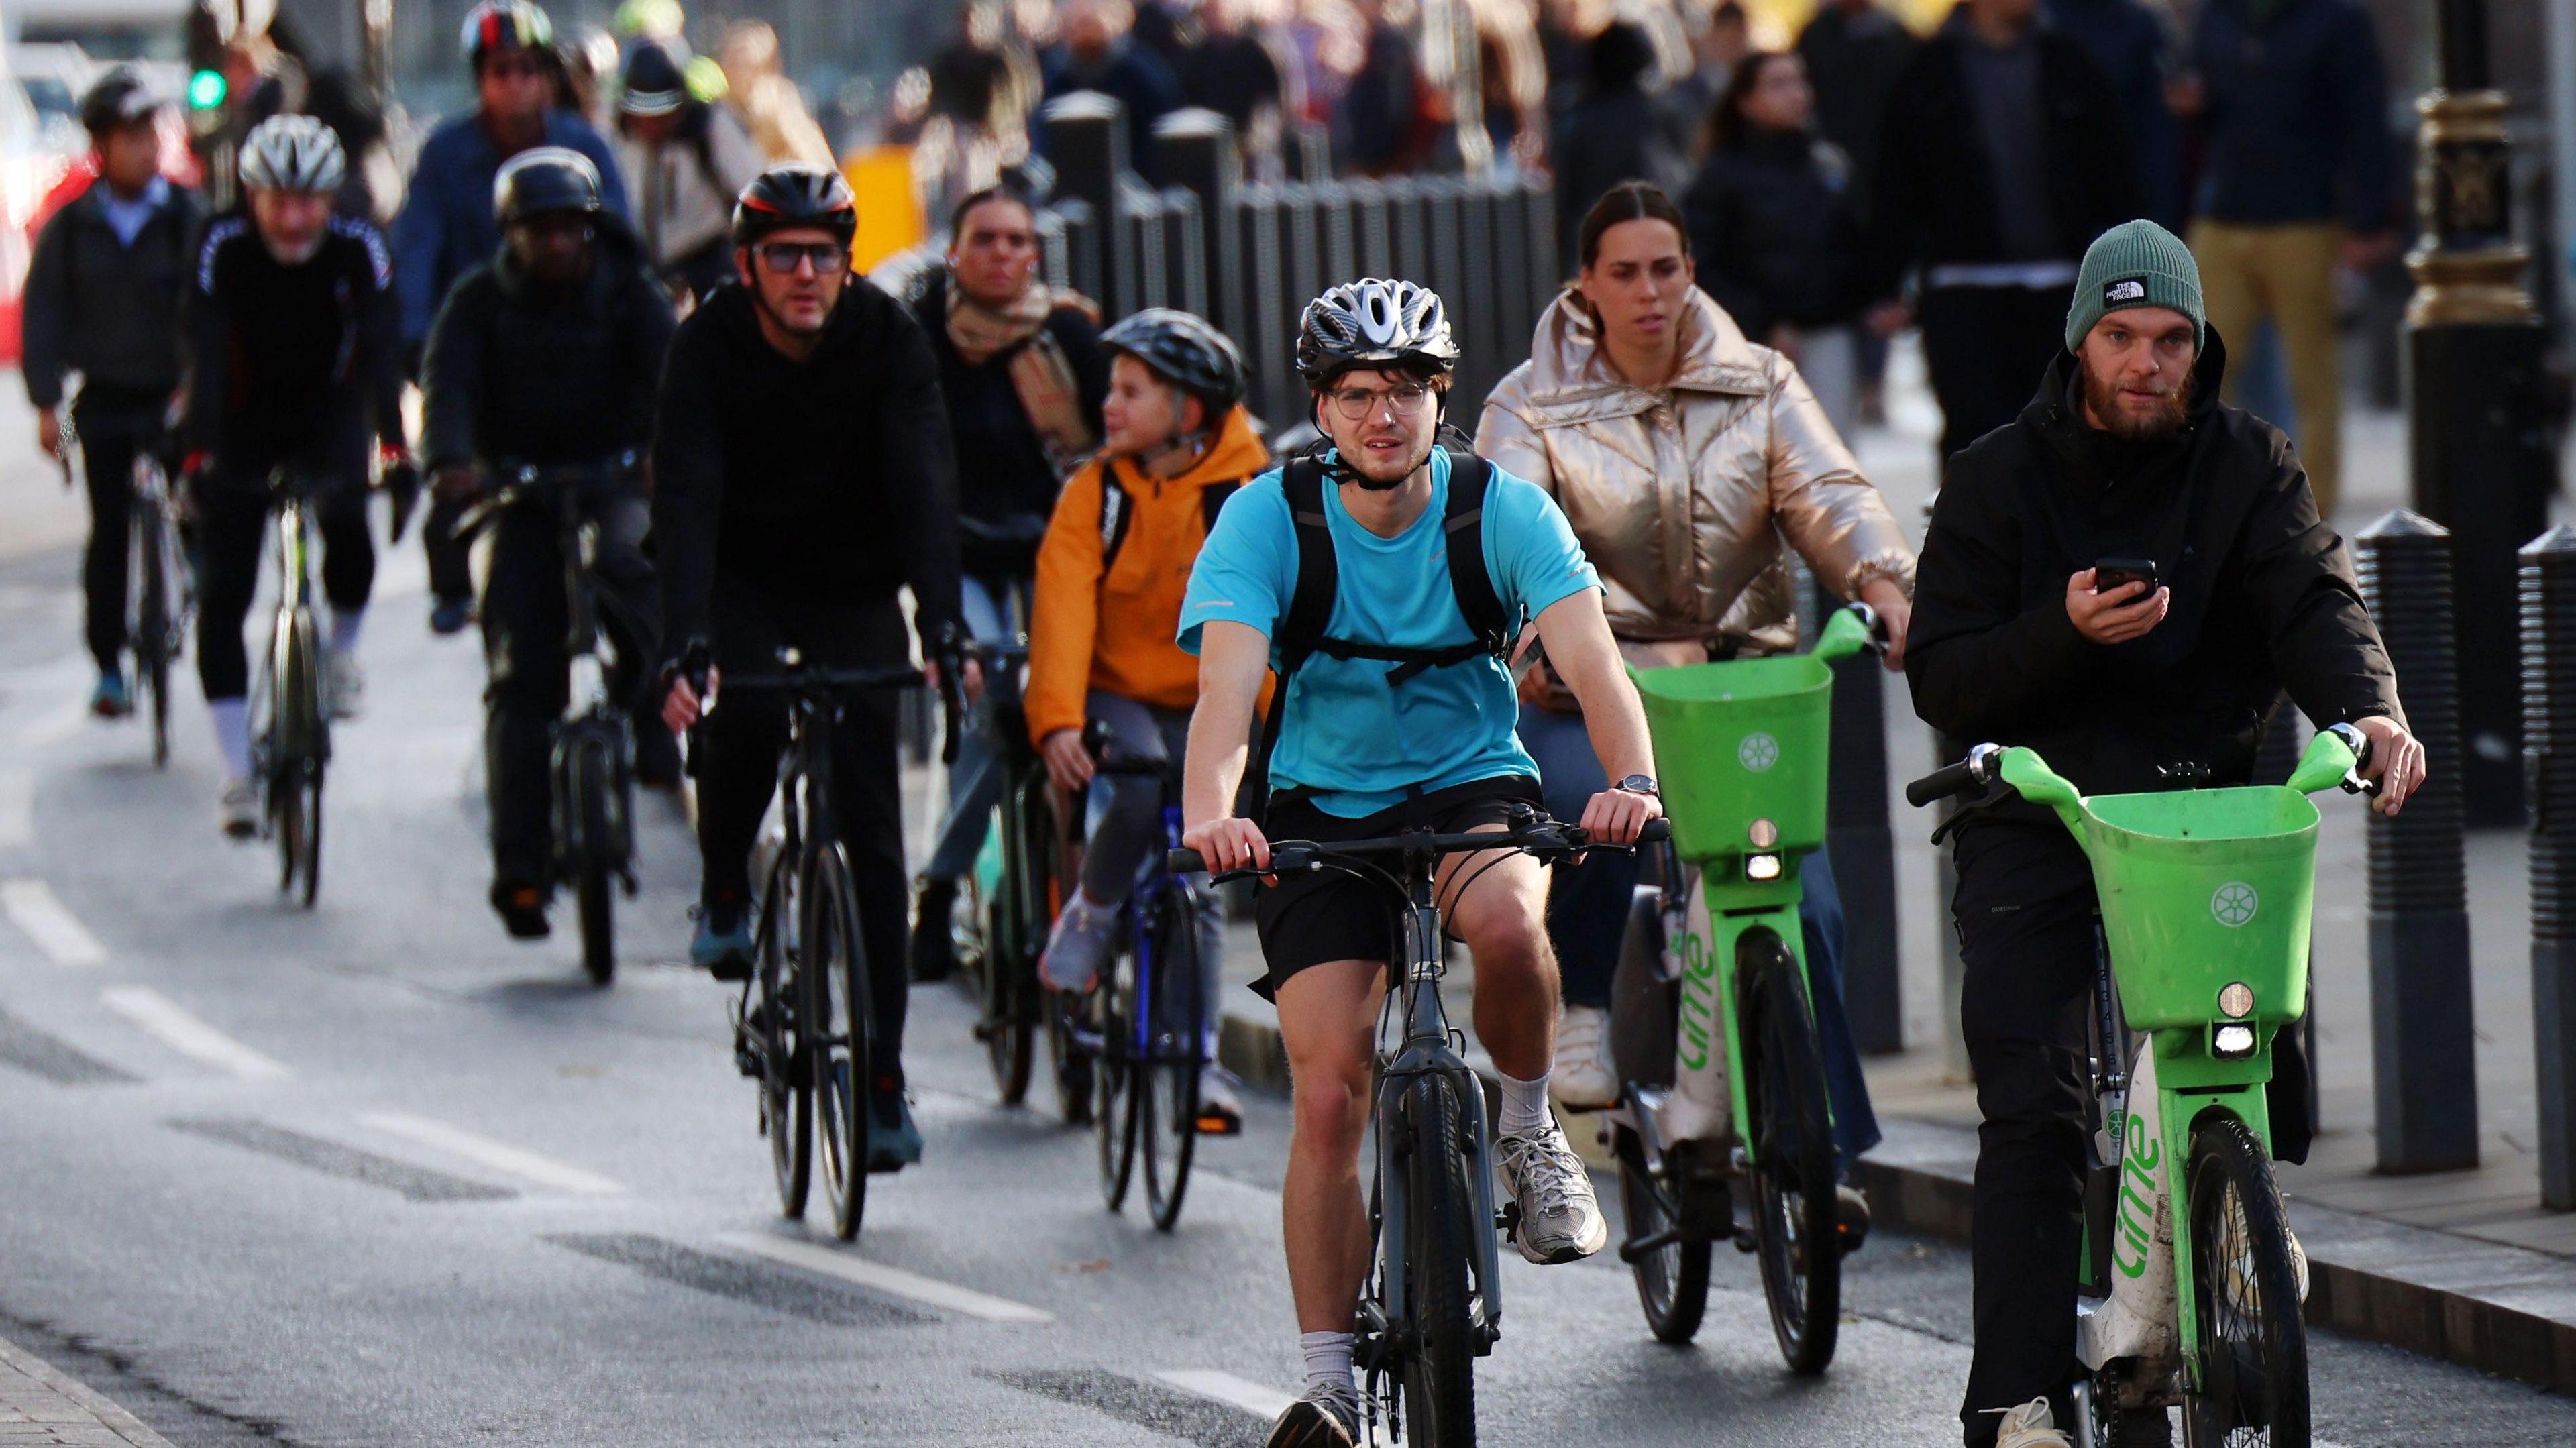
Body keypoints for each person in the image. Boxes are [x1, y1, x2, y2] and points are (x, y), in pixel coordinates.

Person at [1905, 219, 2426, 1448]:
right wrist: (2064, 632)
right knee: (2031, 1094)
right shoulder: (1992, 477)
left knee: (2246, 1040)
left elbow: (2313, 595)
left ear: (2201, 348)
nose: (2147, 361)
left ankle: (2228, 1196)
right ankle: (2016, 1393)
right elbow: (1942, 675)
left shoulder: (2249, 462)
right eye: (2123, 335)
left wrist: (2373, 708)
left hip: (2201, 802)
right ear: (2081, 341)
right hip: (2037, 805)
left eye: (2172, 339)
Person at [1177, 278, 1662, 1445]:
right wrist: (1214, 811)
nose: (1382, 415)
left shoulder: (1503, 509)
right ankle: (1329, 1377)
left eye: (1405, 390)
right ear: (1323, 406)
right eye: (1356, 394)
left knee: (1506, 927)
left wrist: (1632, 783)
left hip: (1467, 779)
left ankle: (1529, 1122)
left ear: (1439, 397)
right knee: (1332, 1084)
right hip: (1320, 808)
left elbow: (1597, 671)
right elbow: (1228, 699)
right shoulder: (1266, 517)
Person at [1479, 180, 1907, 1223]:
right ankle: (1585, 1000)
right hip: (1584, 684)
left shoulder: (1760, 382)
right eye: (1622, 271)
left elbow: (1830, 493)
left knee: (1807, 900)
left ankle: (1824, 1154)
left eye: (1666, 267)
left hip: (1737, 681)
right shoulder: (1526, 404)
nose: (1648, 291)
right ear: (1584, 285)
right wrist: (1543, 652)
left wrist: (1885, 578)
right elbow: (1501, 548)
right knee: (1597, 813)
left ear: (1692, 272)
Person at [653, 165, 963, 1169]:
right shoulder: (705, 347)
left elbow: (923, 480)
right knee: (742, 713)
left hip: (854, 586)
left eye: (822, 255)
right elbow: (687, 497)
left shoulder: (888, 340)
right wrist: (685, 636)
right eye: (781, 255)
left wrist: (944, 623)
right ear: (746, 267)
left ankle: (881, 1079)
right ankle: (726, 892)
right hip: (743, 578)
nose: (803, 273)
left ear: (845, 264)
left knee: (874, 831)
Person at [419, 148, 676, 940]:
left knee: (637, 574)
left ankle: (651, 718)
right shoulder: (478, 302)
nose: (557, 243)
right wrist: (453, 462)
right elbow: (448, 388)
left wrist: (671, 455)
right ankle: (521, 868)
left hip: (616, 478)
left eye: (570, 227)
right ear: (511, 234)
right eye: (539, 229)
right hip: (519, 488)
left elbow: (676, 381)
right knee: (521, 673)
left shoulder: (632, 293)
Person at [1026, 309, 1267, 1132]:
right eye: (1112, 389)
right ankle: (1092, 915)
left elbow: (1274, 614)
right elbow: (1061, 610)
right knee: (1132, 793)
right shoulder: (1094, 492)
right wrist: (1058, 718)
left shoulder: (1247, 490)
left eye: (1132, 392)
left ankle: (1201, 1063)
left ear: (1189, 412)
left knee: (1198, 872)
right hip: (1115, 690)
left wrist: (1266, 727)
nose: (1109, 405)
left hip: (1209, 695)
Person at [907, 186, 1109, 982]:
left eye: (1018, 240)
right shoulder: (920, 337)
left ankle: (1095, 892)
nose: (1002, 254)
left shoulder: (1066, 334)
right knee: (988, 704)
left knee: (1081, 701)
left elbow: (1119, 437)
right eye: (984, 239)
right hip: (955, 552)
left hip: (1053, 549)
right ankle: (944, 884)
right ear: (953, 252)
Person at [184, 116, 402, 836]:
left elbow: (380, 355)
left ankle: (340, 654)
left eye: (309, 200)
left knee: (349, 521)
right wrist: (199, 455)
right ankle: (236, 774)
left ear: (332, 198)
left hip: (326, 409)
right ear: (250, 195)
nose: (293, 217)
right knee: (225, 587)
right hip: (243, 415)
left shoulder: (358, 247)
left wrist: (395, 451)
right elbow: (207, 356)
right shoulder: (223, 245)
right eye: (276, 199)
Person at [394, 0, 628, 639]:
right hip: (484, 350)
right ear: (479, 79)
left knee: (635, 563)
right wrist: (418, 342)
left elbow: (626, 254)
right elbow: (417, 251)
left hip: (585, 350)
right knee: (455, 462)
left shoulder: (587, 147)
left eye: (528, 69)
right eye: (501, 71)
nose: (516, 84)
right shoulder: (444, 155)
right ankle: (451, 582)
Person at [1865, 0, 2139, 461]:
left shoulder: (2069, 63)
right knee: (1975, 437)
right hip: (1961, 282)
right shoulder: (1928, 70)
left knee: (2064, 432)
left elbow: (2114, 172)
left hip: (2061, 281)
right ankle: (1974, 533)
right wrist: (1883, 282)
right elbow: (1897, 183)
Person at [23, 68, 205, 719]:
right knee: (109, 534)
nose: (144, 148)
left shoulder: (189, 216)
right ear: (102, 144)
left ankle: (197, 582)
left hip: (176, 395)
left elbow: (216, 311)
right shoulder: (72, 228)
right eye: (128, 136)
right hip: (104, 396)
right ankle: (108, 665)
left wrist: (201, 386)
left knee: (199, 502)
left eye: (150, 133)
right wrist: (47, 405)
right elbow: (42, 317)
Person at [2174, 0, 2394, 522]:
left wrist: (2369, 217)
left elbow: (2366, 119)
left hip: (2304, 214)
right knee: (2198, 362)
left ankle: (2309, 512)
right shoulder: (2219, 16)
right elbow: (2200, 97)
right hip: (2225, 210)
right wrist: (2192, 102)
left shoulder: (2337, 20)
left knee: (2311, 375)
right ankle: (2201, 498)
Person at [1680, 50, 1869, 436]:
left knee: (1831, 453)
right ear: (1746, 101)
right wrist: (1764, 321)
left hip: (1828, 331)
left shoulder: (1829, 166)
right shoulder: (1720, 177)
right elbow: (1702, 262)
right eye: (1778, 84)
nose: (1795, 94)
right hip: (1753, 342)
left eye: (1799, 82)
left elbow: (1855, 245)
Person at [614, 39, 767, 304]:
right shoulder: (614, 138)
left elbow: (756, 191)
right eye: (642, 115)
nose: (652, 126)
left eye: (663, 114)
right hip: (642, 269)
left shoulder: (710, 129)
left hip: (709, 262)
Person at [1550, 22, 1683, 268]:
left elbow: (1566, 190)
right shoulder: (1664, 111)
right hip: (1657, 224)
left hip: (1598, 231)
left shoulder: (1579, 118)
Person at [2045, 0, 2181, 229]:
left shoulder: (2138, 26)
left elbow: (2158, 136)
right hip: (2049, 219)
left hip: (2122, 210)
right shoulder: (2038, 23)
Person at [1042, 0, 1185, 184]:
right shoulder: (1058, 74)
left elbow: (1160, 136)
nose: (1082, 33)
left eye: (1088, 24)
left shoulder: (1142, 74)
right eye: (1074, 25)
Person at [715, 20, 837, 169]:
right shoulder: (720, 113)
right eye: (733, 64)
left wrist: (779, 129)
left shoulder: (781, 103)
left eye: (748, 66)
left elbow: (818, 165)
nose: (739, 74)